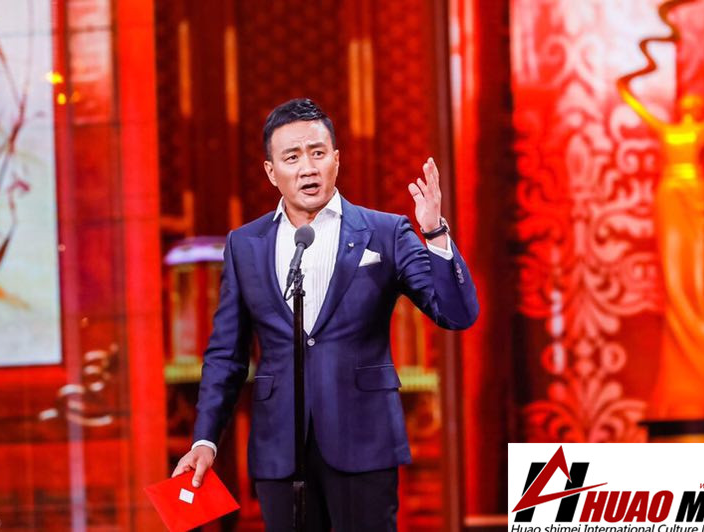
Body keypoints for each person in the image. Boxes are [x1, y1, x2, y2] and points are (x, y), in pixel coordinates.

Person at [171, 98, 479, 530]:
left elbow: (456, 314)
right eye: (292, 157)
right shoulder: (245, 245)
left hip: (364, 440)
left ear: (336, 159)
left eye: (317, 153)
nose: (307, 168)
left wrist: (435, 232)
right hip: (280, 447)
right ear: (271, 171)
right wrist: (205, 439)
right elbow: (226, 354)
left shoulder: (385, 232)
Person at [616, 54, 704, 420]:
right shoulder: (667, 131)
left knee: (697, 278)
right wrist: (646, 63)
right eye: (686, 104)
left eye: (695, 106)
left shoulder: (701, 130)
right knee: (674, 277)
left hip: (694, 196)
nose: (690, 109)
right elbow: (626, 93)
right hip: (670, 196)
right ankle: (680, 376)